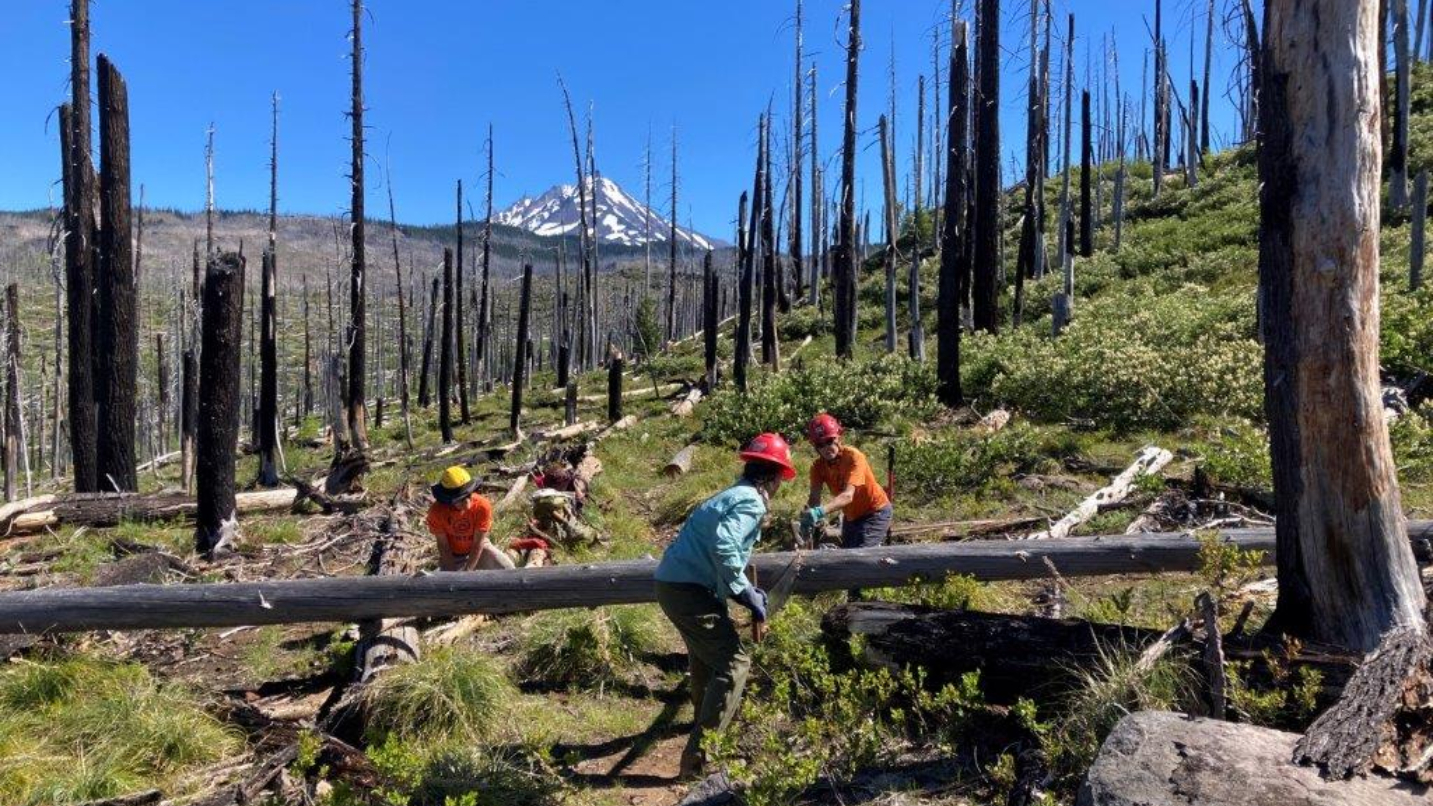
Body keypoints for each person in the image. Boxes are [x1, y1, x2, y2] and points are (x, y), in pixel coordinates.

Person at [654, 432, 797, 779]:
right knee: (735, 665)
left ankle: (700, 737)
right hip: (688, 590)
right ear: (776, 476)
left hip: (677, 585)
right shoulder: (751, 501)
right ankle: (699, 760)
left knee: (706, 662)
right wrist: (743, 590)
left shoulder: (732, 494)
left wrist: (739, 589)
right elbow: (724, 545)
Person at [800, 413, 893, 549]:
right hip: (851, 517)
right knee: (847, 556)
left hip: (875, 512)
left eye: (829, 441)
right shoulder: (818, 467)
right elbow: (814, 497)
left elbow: (848, 496)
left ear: (838, 438)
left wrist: (820, 512)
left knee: (860, 557)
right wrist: (808, 517)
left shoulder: (854, 457)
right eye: (820, 444)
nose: (826, 448)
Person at [426, 465, 516, 572]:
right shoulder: (436, 512)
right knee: (444, 582)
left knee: (508, 569)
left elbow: (478, 543)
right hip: (453, 554)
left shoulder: (482, 506)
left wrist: (468, 571)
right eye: (460, 499)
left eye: (468, 496)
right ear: (448, 499)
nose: (467, 503)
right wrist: (452, 574)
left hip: (480, 548)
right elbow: (443, 546)